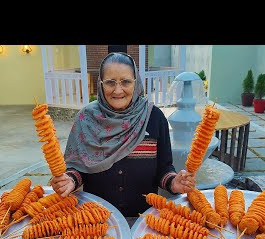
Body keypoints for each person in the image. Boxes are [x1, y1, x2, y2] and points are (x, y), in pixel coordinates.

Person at [51, 52, 195, 217]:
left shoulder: (154, 117)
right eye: (110, 82)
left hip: (144, 219)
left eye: (125, 82)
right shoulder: (86, 119)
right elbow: (77, 167)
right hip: (95, 220)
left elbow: (164, 168)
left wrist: (173, 182)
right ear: (101, 84)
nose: (118, 90)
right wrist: (69, 180)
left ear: (136, 83)